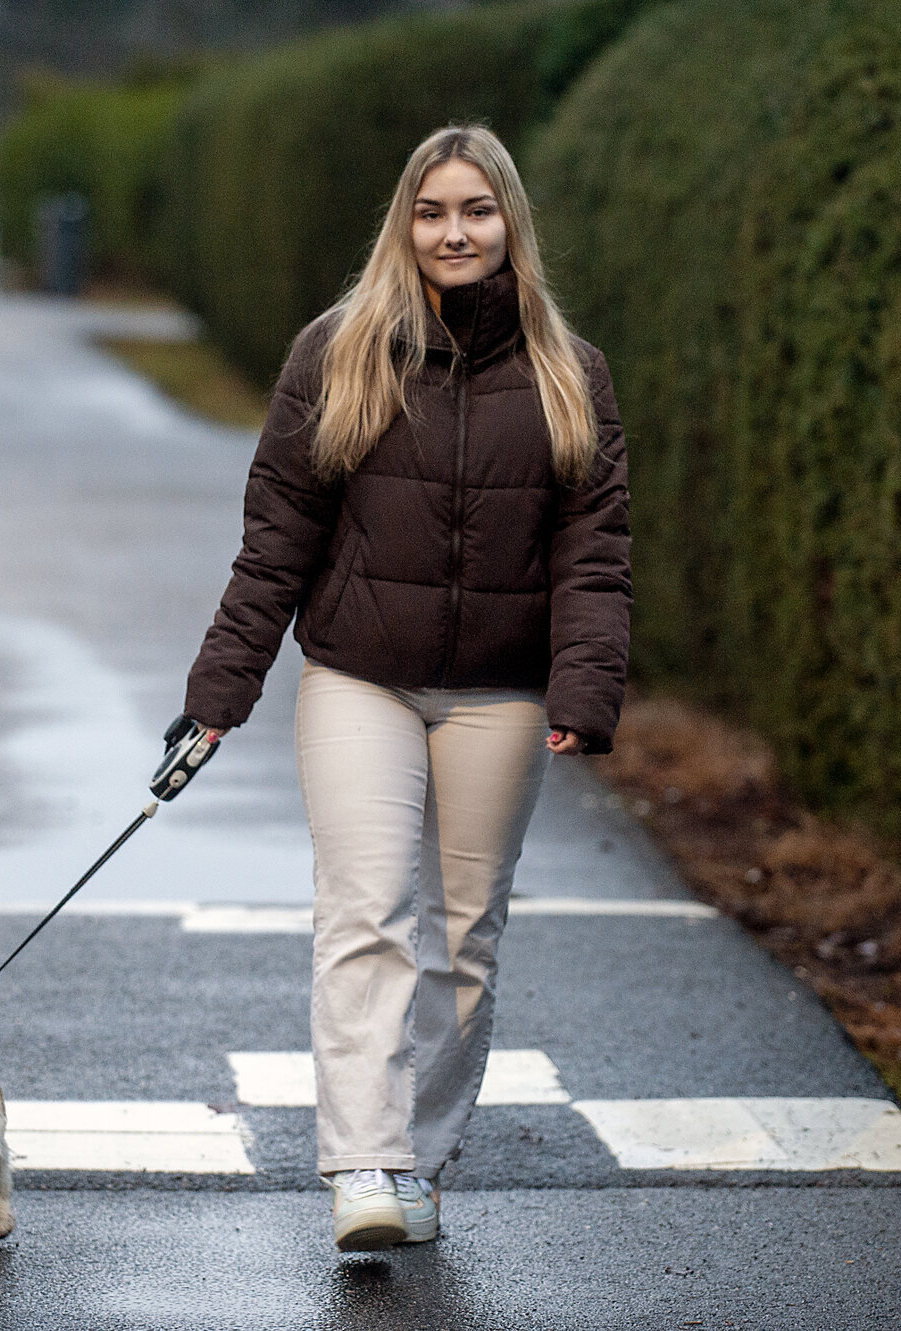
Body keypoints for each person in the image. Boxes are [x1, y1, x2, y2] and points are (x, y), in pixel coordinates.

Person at [177, 123, 631, 1251]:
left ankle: (418, 1160)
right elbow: (275, 537)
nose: (453, 231)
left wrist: (583, 682)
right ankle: (364, 1165)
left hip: (502, 693)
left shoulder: (571, 375)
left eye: (475, 210)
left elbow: (594, 548)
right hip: (357, 680)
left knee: (463, 941)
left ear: (508, 223)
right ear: (403, 223)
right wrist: (218, 691)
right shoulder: (336, 352)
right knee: (364, 912)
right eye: (431, 212)